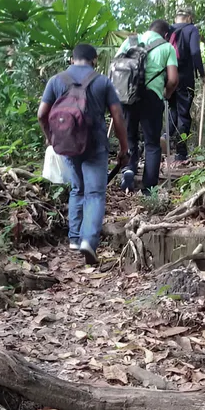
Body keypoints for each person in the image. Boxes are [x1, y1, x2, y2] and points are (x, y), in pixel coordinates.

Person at [37, 43, 129, 265]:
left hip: (67, 144)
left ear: (72, 59)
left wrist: (51, 138)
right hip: (95, 145)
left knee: (77, 188)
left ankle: (75, 238)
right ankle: (89, 240)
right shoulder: (102, 82)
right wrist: (124, 148)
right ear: (94, 60)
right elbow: (118, 117)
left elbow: (41, 114)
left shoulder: (56, 81)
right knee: (95, 193)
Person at [118, 20, 178, 194]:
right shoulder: (167, 47)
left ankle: (128, 170)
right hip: (152, 96)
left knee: (130, 136)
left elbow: (117, 67)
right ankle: (148, 188)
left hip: (127, 95)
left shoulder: (130, 41)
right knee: (152, 143)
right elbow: (173, 79)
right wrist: (166, 93)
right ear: (166, 35)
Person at [168, 7, 205, 162]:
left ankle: (165, 138)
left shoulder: (168, 30)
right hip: (185, 78)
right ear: (189, 18)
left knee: (172, 110)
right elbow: (195, 52)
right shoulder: (191, 30)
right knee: (183, 113)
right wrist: (202, 74)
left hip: (168, 77)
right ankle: (180, 152)